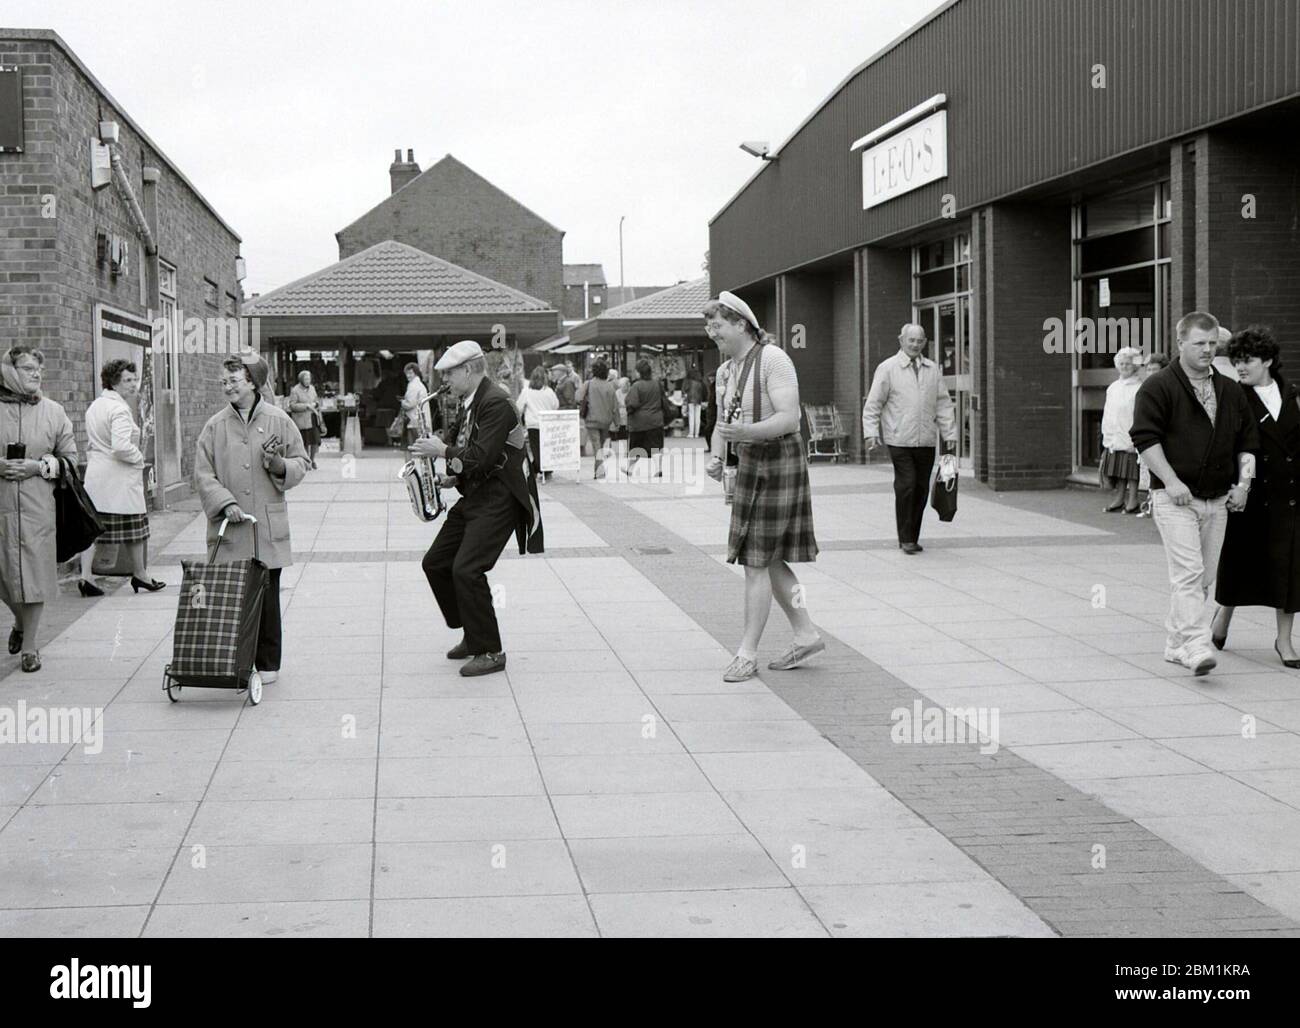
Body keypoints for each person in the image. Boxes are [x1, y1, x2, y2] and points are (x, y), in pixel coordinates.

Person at [704, 292, 823, 683]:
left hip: (778, 460)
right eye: (709, 326)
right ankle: (805, 634)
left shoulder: (774, 360)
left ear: (741, 324)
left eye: (717, 325)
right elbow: (724, 421)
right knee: (766, 558)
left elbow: (789, 419)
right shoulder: (727, 370)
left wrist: (744, 434)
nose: (711, 333)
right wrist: (718, 455)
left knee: (755, 561)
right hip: (752, 463)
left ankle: (746, 654)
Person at [1130, 312, 1258, 677]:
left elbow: (1248, 442)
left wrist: (1244, 485)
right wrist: (1170, 481)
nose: (1207, 350)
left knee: (1202, 579)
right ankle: (1195, 644)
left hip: (1218, 498)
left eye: (1212, 344)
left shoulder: (1231, 391)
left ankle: (1175, 642)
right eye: (1199, 343)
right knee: (1188, 573)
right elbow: (1145, 438)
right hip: (1175, 498)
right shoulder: (1158, 386)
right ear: (1180, 343)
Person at [413, 341, 544, 678]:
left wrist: (442, 451)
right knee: (436, 563)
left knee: (467, 569)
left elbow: (482, 456)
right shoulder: (470, 402)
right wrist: (451, 480)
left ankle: (490, 650)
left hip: (499, 498)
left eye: (449, 374)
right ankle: (473, 634)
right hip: (475, 493)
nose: (445, 381)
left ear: (468, 370)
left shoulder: (496, 402)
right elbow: (472, 455)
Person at [195, 355, 310, 685]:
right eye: (224, 381)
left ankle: (268, 661)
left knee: (268, 594)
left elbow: (300, 461)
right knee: (232, 595)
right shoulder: (215, 426)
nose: (227, 386)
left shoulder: (279, 420)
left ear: (253, 383)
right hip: (230, 525)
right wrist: (224, 502)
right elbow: (203, 474)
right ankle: (235, 659)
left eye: (235, 380)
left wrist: (279, 467)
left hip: (266, 525)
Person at [1211, 327, 1300, 667]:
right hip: (1248, 494)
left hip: (1289, 495)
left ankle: (1284, 641)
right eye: (1236, 361)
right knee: (1239, 561)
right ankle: (1223, 615)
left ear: (1268, 360)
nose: (1241, 367)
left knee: (1289, 568)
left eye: (1247, 361)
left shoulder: (1292, 394)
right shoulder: (1235, 396)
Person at [0, 345, 78, 673]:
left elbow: (71, 461)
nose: (36, 374)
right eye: (28, 368)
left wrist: (37, 466)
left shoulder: (54, 412)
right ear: (8, 371)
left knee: (33, 576)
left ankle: (30, 646)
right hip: (2, 506)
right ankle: (19, 621)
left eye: (39, 370)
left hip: (36, 508)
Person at [862, 323, 957, 554]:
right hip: (899, 439)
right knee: (907, 485)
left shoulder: (932, 369)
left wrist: (950, 433)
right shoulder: (887, 368)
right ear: (901, 340)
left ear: (924, 342)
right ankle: (905, 538)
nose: (915, 344)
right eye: (911, 340)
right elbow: (873, 404)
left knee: (921, 488)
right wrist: (871, 433)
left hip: (925, 441)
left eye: (919, 340)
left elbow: (943, 403)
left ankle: (912, 536)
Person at [80, 359, 164, 596]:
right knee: (136, 528)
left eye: (134, 379)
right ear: (113, 382)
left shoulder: (96, 405)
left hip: (98, 478)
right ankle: (140, 574)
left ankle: (86, 576)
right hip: (119, 479)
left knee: (93, 529)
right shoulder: (118, 409)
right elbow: (121, 447)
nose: (133, 385)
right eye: (127, 380)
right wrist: (139, 459)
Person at [1100, 347, 1144, 513]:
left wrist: (1137, 437)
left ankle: (1132, 500)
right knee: (1119, 471)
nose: (1125, 366)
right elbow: (1108, 411)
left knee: (1131, 471)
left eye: (1128, 364)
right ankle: (1119, 499)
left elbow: (1139, 413)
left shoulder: (1139, 387)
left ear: (1135, 366)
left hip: (1130, 433)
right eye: (1122, 363)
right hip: (1115, 434)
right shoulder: (1113, 388)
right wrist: (1107, 434)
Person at [1133, 353, 1171, 518]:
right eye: (1148, 369)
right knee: (1148, 472)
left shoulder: (1167, 388)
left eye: (1154, 369)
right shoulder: (1144, 388)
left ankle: (1158, 507)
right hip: (1146, 437)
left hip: (1162, 440)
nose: (1150, 372)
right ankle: (1151, 505)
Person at [624, 359, 667, 478]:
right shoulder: (657, 384)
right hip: (656, 421)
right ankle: (658, 469)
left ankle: (630, 469)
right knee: (656, 447)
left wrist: (629, 410)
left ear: (639, 372)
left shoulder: (636, 386)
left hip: (639, 423)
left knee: (635, 447)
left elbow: (632, 403)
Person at [517, 365, 559, 482]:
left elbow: (519, 407)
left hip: (533, 424)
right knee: (546, 448)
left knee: (536, 449)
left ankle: (537, 469)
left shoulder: (526, 391)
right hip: (547, 423)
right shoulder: (549, 391)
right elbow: (556, 405)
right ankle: (544, 470)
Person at [577, 360, 619, 480]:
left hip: (592, 420)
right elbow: (615, 406)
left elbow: (578, 397)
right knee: (600, 444)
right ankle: (599, 470)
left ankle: (599, 471)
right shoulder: (609, 386)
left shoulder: (588, 384)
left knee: (597, 445)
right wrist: (617, 422)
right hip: (606, 421)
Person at [287, 370, 321, 469]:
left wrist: (315, 404)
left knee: (315, 441)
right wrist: (306, 406)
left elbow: (316, 400)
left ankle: (312, 459)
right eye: (306, 379)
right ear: (301, 379)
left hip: (312, 418)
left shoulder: (312, 388)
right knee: (305, 442)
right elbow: (292, 406)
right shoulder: (295, 390)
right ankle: (306, 461)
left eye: (309, 378)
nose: (308, 381)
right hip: (302, 420)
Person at [400, 361, 430, 448]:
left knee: (410, 447)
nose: (408, 375)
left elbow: (410, 403)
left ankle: (410, 462)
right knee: (420, 446)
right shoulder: (420, 384)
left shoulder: (413, 385)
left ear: (415, 373)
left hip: (413, 419)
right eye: (407, 373)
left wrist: (402, 402)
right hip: (419, 419)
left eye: (410, 373)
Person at [613, 375, 631, 465]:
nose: (624, 387)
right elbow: (617, 404)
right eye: (622, 385)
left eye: (626, 385)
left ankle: (628, 451)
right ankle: (623, 451)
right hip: (620, 416)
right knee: (621, 434)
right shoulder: (617, 392)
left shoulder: (631, 392)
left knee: (628, 434)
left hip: (629, 416)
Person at [684, 369, 707, 439]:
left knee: (691, 416)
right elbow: (704, 392)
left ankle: (691, 433)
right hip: (699, 400)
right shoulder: (701, 382)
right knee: (698, 417)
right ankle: (697, 434)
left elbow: (685, 390)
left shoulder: (688, 382)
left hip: (690, 400)